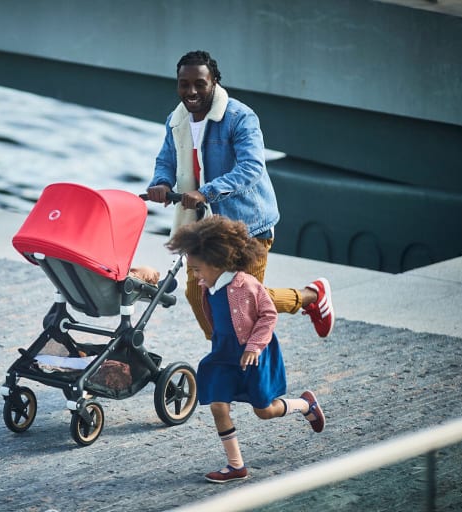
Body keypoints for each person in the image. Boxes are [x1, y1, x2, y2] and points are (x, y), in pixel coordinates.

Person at [146, 50, 334, 340]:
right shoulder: (177, 119)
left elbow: (251, 168)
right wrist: (160, 182)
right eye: (184, 83)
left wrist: (206, 192)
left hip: (247, 227)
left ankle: (310, 297)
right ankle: (227, 349)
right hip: (203, 229)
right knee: (199, 297)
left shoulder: (239, 117)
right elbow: (167, 160)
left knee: (243, 299)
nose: (191, 91)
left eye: (200, 83)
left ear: (215, 82)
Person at [166, 215, 325, 483]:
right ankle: (236, 466)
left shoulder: (247, 284)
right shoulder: (209, 286)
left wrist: (253, 346)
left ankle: (306, 404)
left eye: (197, 269)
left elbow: (268, 315)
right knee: (218, 406)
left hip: (253, 356)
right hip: (224, 355)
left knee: (265, 411)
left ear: (216, 262)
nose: (195, 276)